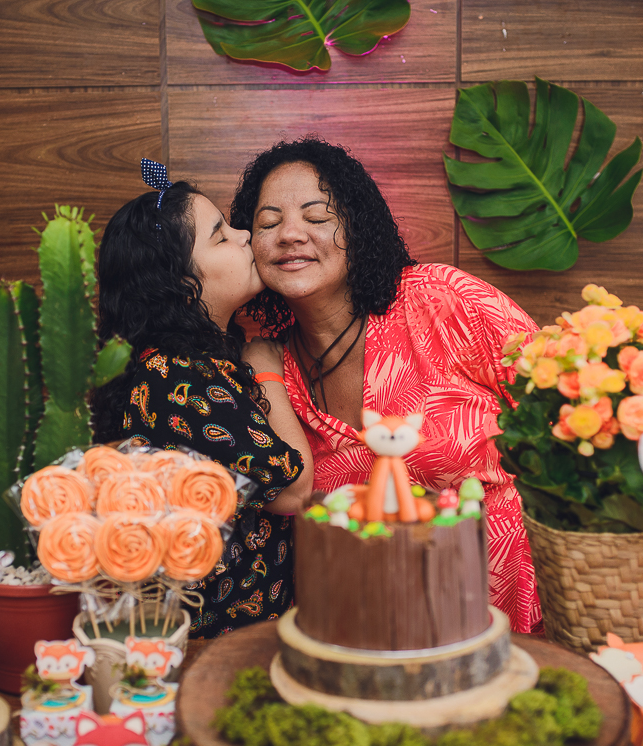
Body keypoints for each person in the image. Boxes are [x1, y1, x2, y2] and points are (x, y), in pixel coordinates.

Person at [230, 137, 542, 633]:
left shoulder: (440, 300)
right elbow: (286, 499)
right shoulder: (266, 370)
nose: (290, 234)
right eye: (268, 223)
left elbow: (560, 403)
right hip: (384, 635)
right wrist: (262, 368)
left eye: (316, 217)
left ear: (357, 227)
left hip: (527, 615)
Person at [90, 159, 314, 639]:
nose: (244, 236)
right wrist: (266, 369)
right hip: (214, 643)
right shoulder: (176, 376)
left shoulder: (190, 360)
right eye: (220, 235)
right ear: (178, 280)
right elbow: (294, 489)